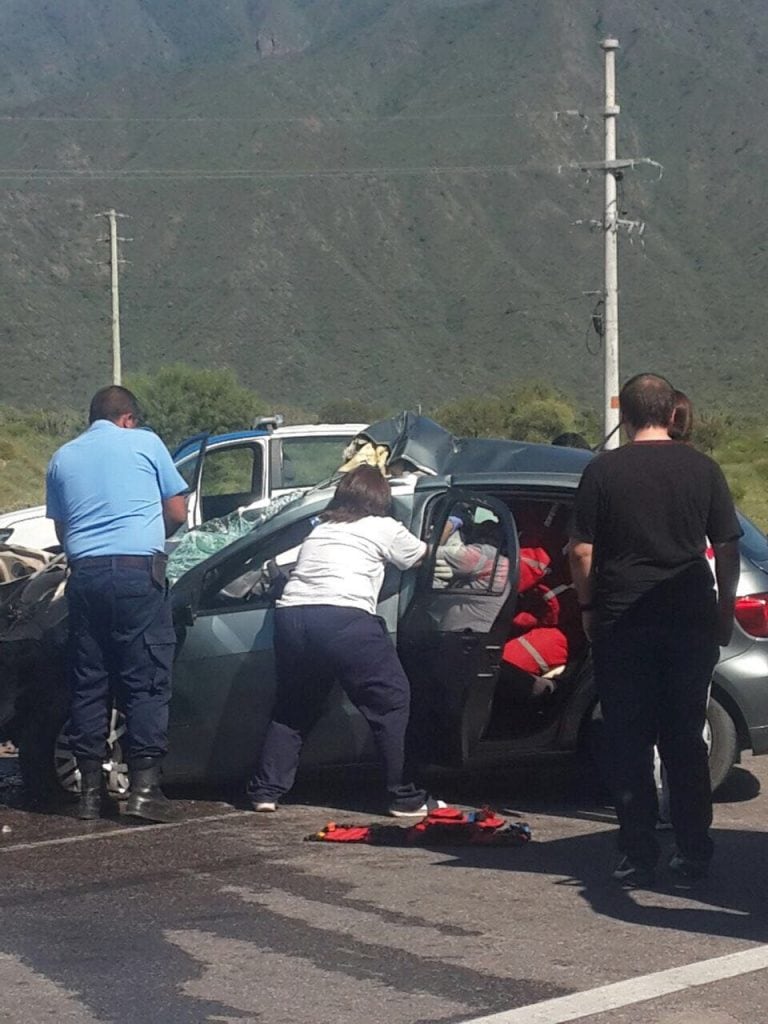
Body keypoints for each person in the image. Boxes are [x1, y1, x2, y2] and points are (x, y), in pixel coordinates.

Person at [568, 373, 741, 886]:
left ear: (624, 415)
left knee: (628, 739)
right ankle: (693, 851)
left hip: (623, 621)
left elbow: (580, 551)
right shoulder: (703, 469)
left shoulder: (602, 472)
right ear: (671, 414)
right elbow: (727, 549)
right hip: (689, 619)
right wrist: (724, 609)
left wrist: (587, 607)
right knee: (685, 739)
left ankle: (637, 851)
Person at [248, 463, 439, 817]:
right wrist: (448, 531)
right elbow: (418, 557)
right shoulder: (383, 527)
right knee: (392, 701)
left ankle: (266, 791)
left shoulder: (322, 529)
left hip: (292, 617)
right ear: (381, 499)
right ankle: (405, 797)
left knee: (294, 707)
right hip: (344, 618)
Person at [45, 386, 188, 822]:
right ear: (128, 418)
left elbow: (63, 529)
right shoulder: (145, 442)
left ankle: (91, 794)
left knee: (89, 682)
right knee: (145, 680)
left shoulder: (62, 457)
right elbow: (178, 512)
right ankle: (144, 791)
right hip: (135, 575)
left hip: (84, 577)